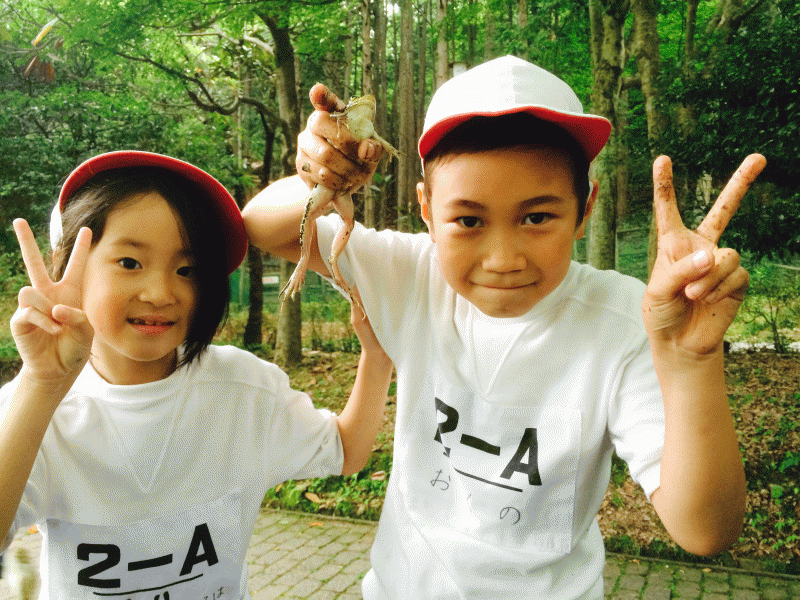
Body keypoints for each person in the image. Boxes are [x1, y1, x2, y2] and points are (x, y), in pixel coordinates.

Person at [242, 55, 766, 599]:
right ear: (427, 210)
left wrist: (691, 363)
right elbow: (261, 226)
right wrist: (318, 180)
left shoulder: (626, 322)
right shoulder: (413, 277)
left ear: (584, 208)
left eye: (537, 217)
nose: (503, 259)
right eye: (468, 220)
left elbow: (704, 531)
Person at [0, 150, 393, 600]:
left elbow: (345, 451)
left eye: (187, 270)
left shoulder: (244, 390)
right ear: (69, 261)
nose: (160, 292)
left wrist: (376, 354)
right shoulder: (34, 407)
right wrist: (43, 384)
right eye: (130, 262)